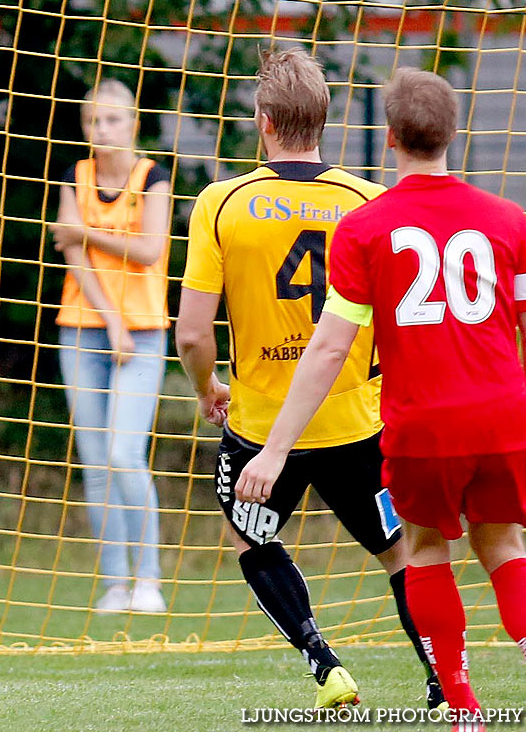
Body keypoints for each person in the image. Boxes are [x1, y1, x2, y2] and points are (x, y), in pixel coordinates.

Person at [238, 68, 526, 730]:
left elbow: (329, 350)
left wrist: (275, 449)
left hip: (421, 424)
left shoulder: (367, 228)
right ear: (452, 133)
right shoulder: (510, 221)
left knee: (427, 551)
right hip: (503, 414)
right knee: (507, 550)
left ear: (390, 137)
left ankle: (463, 711)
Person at [175, 48, 440, 711]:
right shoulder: (373, 201)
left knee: (249, 535)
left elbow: (191, 333)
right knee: (402, 552)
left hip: (264, 428)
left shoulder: (221, 202)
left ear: (263, 121)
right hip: (359, 421)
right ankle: (441, 684)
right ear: (325, 121)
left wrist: (207, 388)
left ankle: (323, 661)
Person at [51, 78, 172, 614]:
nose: (103, 130)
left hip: (144, 332)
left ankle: (149, 580)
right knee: (95, 462)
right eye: (93, 122)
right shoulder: (75, 175)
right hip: (81, 328)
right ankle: (115, 583)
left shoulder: (154, 177)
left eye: (113, 120)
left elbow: (149, 250)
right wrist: (109, 321)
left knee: (125, 455)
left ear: (134, 124)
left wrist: (84, 233)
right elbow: (70, 254)